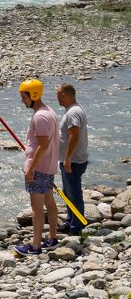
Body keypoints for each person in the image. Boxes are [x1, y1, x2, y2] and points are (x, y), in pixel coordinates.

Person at [14, 79, 61, 256]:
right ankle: (52, 238)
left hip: (39, 168)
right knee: (49, 202)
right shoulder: (49, 112)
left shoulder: (40, 116)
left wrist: (31, 168)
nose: (22, 100)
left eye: (24, 97)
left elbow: (43, 144)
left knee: (37, 208)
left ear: (33, 95)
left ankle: (35, 246)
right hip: (47, 166)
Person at [56, 83, 89, 234]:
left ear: (64, 95)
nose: (56, 97)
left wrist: (68, 158)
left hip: (73, 161)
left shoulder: (73, 112)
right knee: (68, 192)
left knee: (74, 193)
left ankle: (77, 228)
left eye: (58, 94)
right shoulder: (73, 110)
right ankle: (71, 221)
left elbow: (74, 135)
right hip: (72, 160)